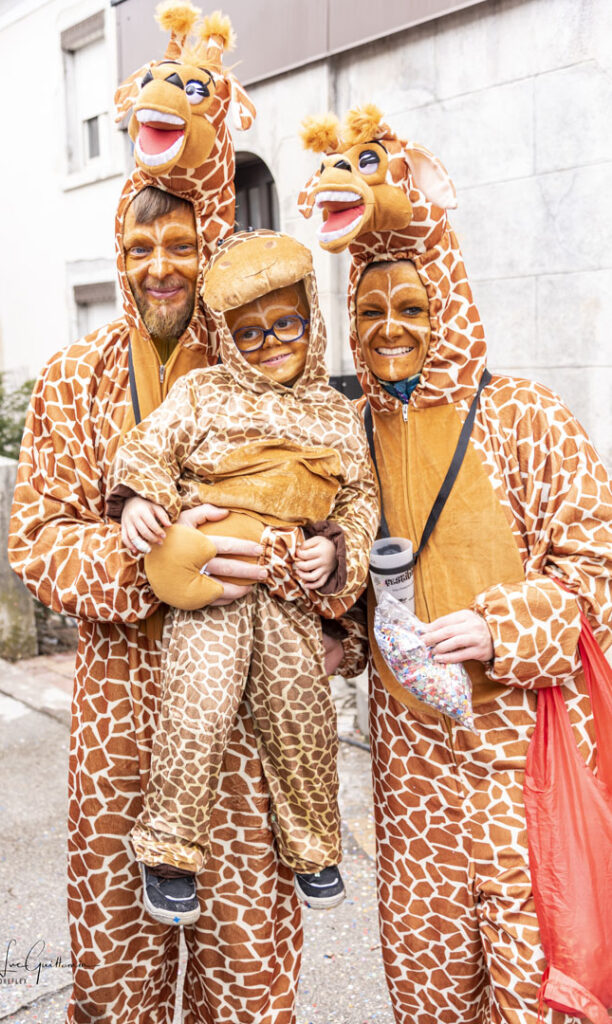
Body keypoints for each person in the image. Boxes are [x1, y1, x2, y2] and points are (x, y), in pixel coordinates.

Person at [8, 6, 331, 1020]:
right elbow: (36, 537)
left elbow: (327, 508)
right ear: (120, 250)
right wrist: (149, 557)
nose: (160, 265)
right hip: (116, 723)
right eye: (140, 243)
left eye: (181, 243)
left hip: (242, 740)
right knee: (115, 983)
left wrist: (311, 566)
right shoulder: (72, 378)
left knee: (248, 982)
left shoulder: (269, 371)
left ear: (211, 243)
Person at [299, 105, 612, 1024]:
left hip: (524, 761)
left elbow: (598, 571)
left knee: (541, 983)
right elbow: (359, 594)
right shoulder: (349, 437)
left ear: (449, 306)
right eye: (369, 311)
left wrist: (501, 624)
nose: (390, 328)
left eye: (411, 307)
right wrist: (337, 636)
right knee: (430, 988)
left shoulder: (526, 417)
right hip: (410, 777)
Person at [107, 230, 377, 924]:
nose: (271, 344)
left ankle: (316, 849)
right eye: (250, 333)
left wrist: (337, 551)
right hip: (210, 588)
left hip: (288, 593)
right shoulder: (203, 392)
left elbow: (360, 499)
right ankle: (169, 850)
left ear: (311, 318)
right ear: (226, 335)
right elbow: (147, 446)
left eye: (286, 324)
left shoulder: (336, 414)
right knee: (195, 708)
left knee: (303, 717)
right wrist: (138, 500)